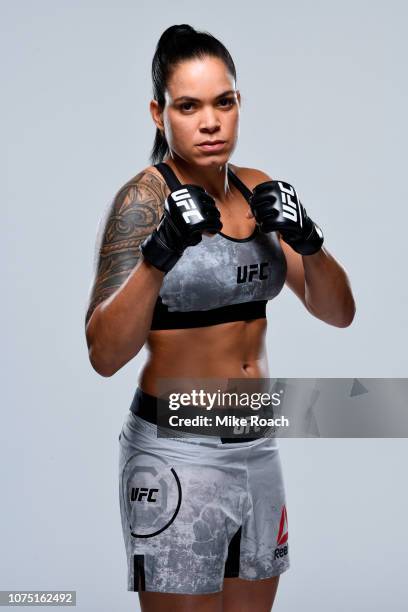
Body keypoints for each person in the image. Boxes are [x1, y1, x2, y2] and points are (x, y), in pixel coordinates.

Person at [85, 24, 355, 612]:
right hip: (177, 453)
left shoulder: (259, 190)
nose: (209, 122)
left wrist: (310, 241)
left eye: (222, 102)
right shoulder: (142, 202)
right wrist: (160, 254)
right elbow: (103, 354)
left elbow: (339, 313)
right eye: (188, 106)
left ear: (238, 104)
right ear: (160, 114)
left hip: (257, 449)